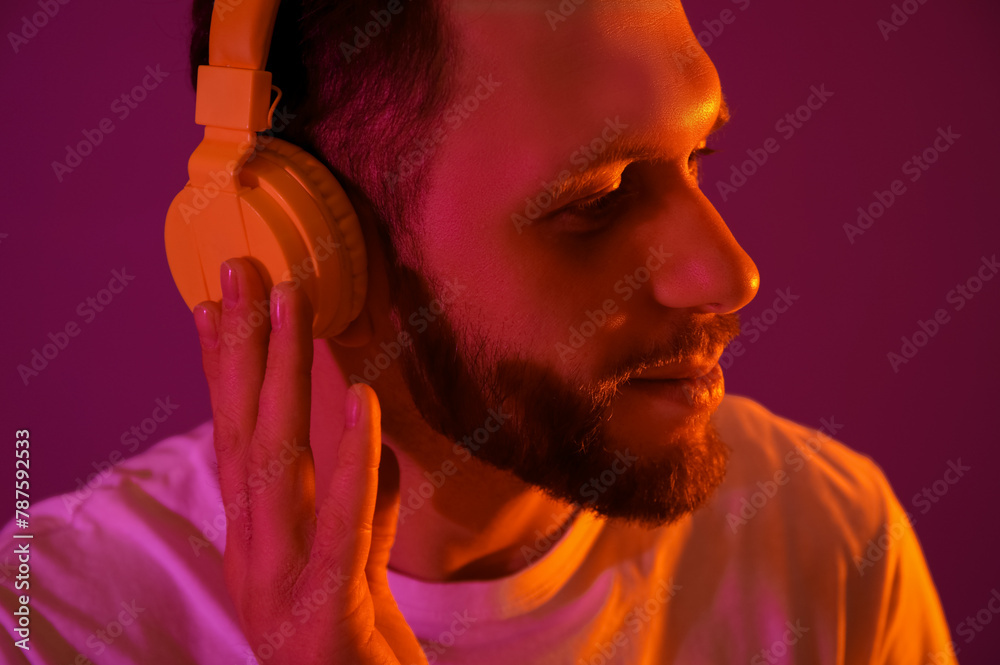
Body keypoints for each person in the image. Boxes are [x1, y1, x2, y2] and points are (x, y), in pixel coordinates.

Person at [0, 1, 958, 663]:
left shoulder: (830, 539)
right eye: (598, 197)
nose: (730, 272)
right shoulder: (52, 620)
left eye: (696, 155)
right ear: (306, 249)